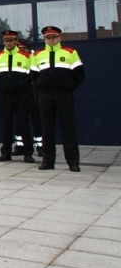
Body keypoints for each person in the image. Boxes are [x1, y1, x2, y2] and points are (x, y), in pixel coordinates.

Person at [32, 26, 85, 172]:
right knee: (47, 130)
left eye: (54, 37)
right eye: (48, 37)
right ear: (44, 39)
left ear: (59, 38)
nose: (51, 40)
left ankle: (73, 162)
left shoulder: (70, 52)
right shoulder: (37, 54)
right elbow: (33, 76)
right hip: (45, 96)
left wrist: (69, 87)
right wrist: (40, 88)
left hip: (64, 95)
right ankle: (48, 162)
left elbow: (79, 74)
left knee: (68, 128)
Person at [0, 30, 35, 163]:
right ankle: (6, 153)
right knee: (6, 124)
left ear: (16, 41)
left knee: (24, 123)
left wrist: (20, 85)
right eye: (6, 40)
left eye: (11, 40)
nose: (9, 43)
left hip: (21, 94)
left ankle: (27, 153)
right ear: (3, 41)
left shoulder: (26, 56)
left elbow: (30, 75)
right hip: (5, 95)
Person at [18, 38, 43, 156]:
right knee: (21, 122)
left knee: (37, 121)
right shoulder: (17, 57)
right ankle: (20, 146)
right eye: (20, 48)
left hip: (34, 93)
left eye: (23, 48)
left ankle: (40, 147)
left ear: (28, 48)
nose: (22, 50)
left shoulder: (36, 56)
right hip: (21, 93)